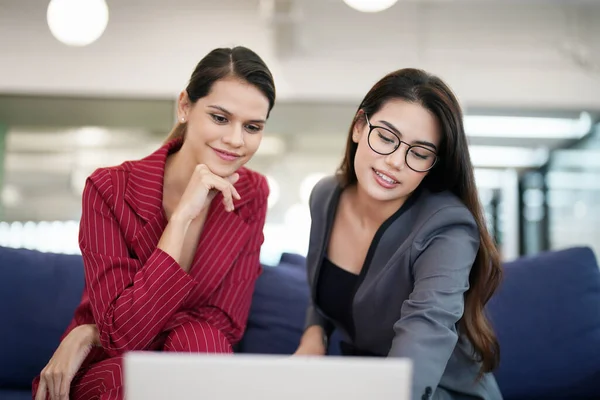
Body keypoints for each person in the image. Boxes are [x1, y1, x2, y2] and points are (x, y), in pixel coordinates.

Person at [32, 46, 276, 400]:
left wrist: (88, 332)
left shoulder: (252, 192)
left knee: (202, 341)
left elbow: (227, 323)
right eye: (220, 118)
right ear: (184, 107)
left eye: (252, 127)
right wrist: (180, 219)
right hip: (108, 367)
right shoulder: (109, 189)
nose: (236, 140)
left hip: (192, 359)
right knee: (131, 376)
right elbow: (121, 338)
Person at [293, 68, 504, 400]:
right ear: (359, 127)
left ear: (435, 163)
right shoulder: (325, 196)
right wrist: (314, 334)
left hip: (433, 390)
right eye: (386, 137)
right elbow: (326, 287)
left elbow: (426, 328)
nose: (395, 161)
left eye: (419, 153)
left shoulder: (449, 227)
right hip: (365, 384)